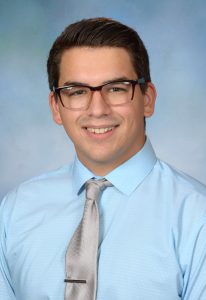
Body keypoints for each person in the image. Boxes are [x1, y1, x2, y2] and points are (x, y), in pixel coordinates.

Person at [0, 17, 206, 300]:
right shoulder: (15, 212)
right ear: (56, 107)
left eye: (117, 88)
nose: (97, 109)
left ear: (147, 99)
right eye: (77, 92)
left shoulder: (197, 216)